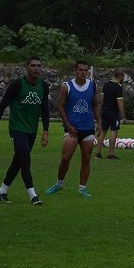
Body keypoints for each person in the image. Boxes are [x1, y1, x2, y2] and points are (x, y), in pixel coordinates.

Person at [0, 56, 50, 205]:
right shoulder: (17, 85)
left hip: (31, 130)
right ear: (27, 67)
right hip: (17, 128)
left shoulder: (43, 86)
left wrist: (45, 131)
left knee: (18, 160)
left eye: (39, 66)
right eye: (33, 66)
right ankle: (33, 196)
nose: (36, 68)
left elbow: (45, 109)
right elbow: (2, 105)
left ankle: (2, 191)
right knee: (25, 160)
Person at [44, 61, 101, 198]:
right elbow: (61, 106)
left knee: (86, 158)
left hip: (87, 128)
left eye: (85, 70)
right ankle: (59, 183)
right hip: (72, 129)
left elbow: (95, 105)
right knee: (65, 157)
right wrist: (68, 126)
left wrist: (99, 122)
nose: (83, 72)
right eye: (80, 69)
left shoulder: (92, 86)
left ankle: (82, 188)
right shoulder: (67, 86)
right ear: (75, 71)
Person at [96, 68, 126, 159]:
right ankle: (111, 153)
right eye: (123, 77)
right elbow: (119, 102)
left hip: (105, 111)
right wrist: (123, 114)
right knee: (113, 132)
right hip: (114, 113)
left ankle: (98, 152)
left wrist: (101, 109)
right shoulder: (118, 86)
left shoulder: (106, 84)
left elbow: (101, 99)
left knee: (103, 132)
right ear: (120, 77)